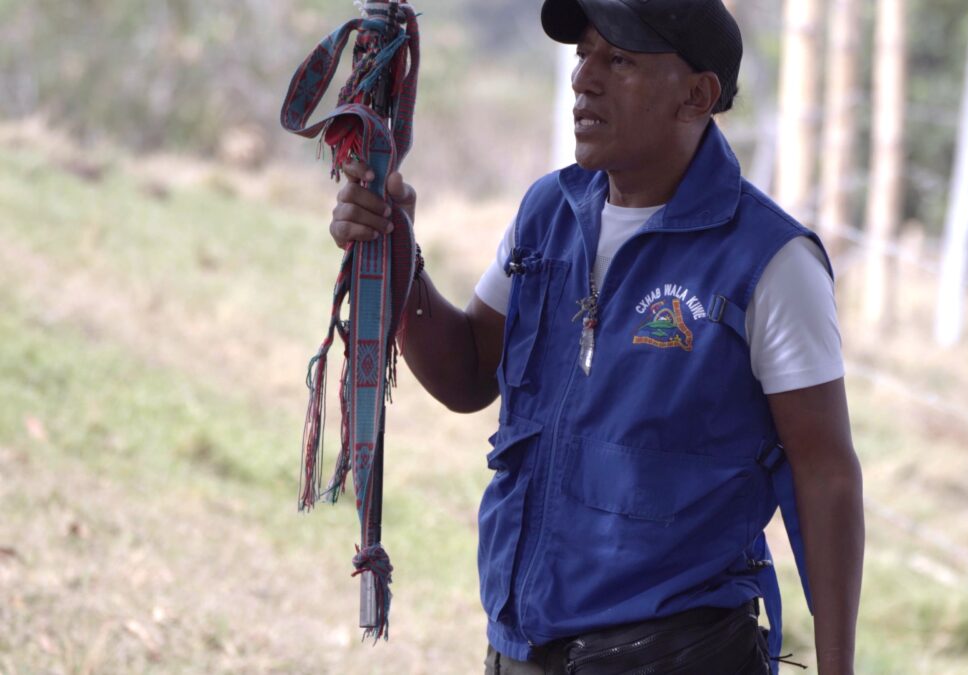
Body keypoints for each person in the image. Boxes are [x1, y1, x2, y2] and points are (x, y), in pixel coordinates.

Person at [328, 1, 864, 672]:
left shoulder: (770, 261)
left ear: (697, 95)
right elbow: (467, 372)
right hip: (520, 646)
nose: (585, 78)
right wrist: (395, 252)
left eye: (620, 60)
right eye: (584, 53)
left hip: (677, 655)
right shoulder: (546, 213)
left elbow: (826, 472)